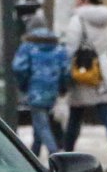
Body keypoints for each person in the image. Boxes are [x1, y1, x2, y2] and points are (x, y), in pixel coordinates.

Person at [63, 0, 107, 172]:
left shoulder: (77, 19)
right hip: (101, 71)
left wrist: (66, 68)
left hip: (83, 71)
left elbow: (71, 47)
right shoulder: (104, 19)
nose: (75, 2)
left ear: (84, 0)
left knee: (75, 118)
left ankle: (66, 158)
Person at [12, 11, 70, 159]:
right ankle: (34, 154)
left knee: (42, 125)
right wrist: (62, 87)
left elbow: (19, 67)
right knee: (40, 123)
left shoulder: (28, 46)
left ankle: (55, 154)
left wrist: (23, 84)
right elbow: (66, 70)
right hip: (53, 90)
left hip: (35, 90)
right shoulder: (57, 46)